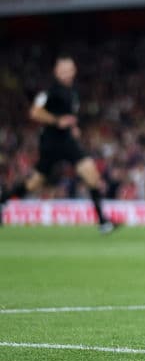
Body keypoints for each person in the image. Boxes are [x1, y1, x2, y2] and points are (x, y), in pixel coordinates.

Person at [0, 55, 116, 233]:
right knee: (34, 183)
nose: (67, 73)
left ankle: (103, 222)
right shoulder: (50, 92)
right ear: (56, 72)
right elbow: (34, 112)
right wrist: (56, 121)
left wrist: (73, 127)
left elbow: (68, 117)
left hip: (67, 141)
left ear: (74, 71)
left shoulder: (73, 92)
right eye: (63, 70)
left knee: (91, 173)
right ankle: (3, 200)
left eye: (69, 69)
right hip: (51, 143)